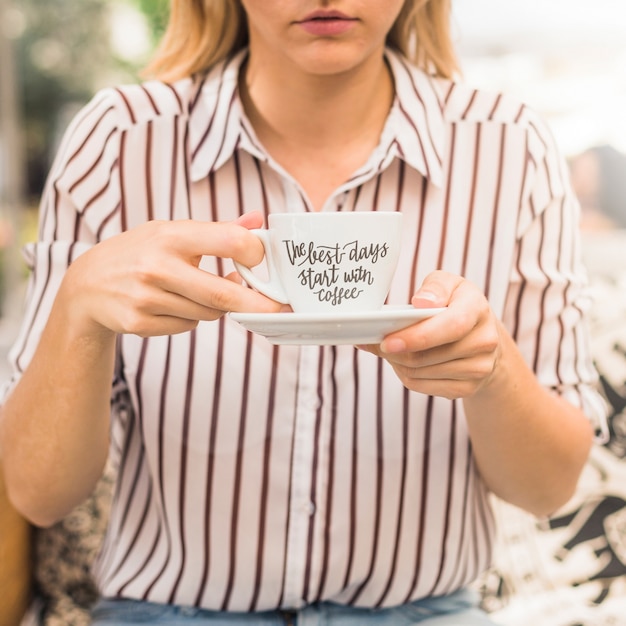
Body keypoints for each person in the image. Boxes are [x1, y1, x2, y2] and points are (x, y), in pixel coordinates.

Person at [0, 1, 607, 624]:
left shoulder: (510, 147)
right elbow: (38, 494)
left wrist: (494, 372)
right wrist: (79, 309)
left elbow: (548, 489)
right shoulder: (118, 144)